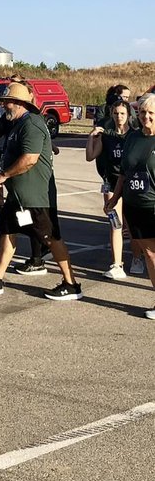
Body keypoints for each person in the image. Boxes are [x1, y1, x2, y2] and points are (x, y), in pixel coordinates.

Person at [0, 82, 81, 300]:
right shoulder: (16, 124)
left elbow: (30, 159)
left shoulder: (32, 124)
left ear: (20, 103)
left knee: (51, 238)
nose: (3, 106)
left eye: (7, 102)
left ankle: (71, 284)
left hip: (36, 197)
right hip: (18, 197)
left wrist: (4, 175)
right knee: (7, 231)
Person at [106, 93, 155, 318]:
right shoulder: (133, 137)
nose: (146, 117)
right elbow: (124, 173)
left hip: (153, 205)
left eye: (151, 113)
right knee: (149, 254)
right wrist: (115, 198)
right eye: (143, 112)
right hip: (134, 206)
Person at [87, 98, 136, 279]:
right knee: (115, 223)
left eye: (122, 113)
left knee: (134, 225)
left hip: (131, 184)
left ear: (129, 115)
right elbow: (90, 156)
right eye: (116, 113)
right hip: (112, 183)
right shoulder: (106, 135)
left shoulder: (135, 136)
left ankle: (137, 257)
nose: (119, 117)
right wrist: (91, 137)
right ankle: (117, 264)